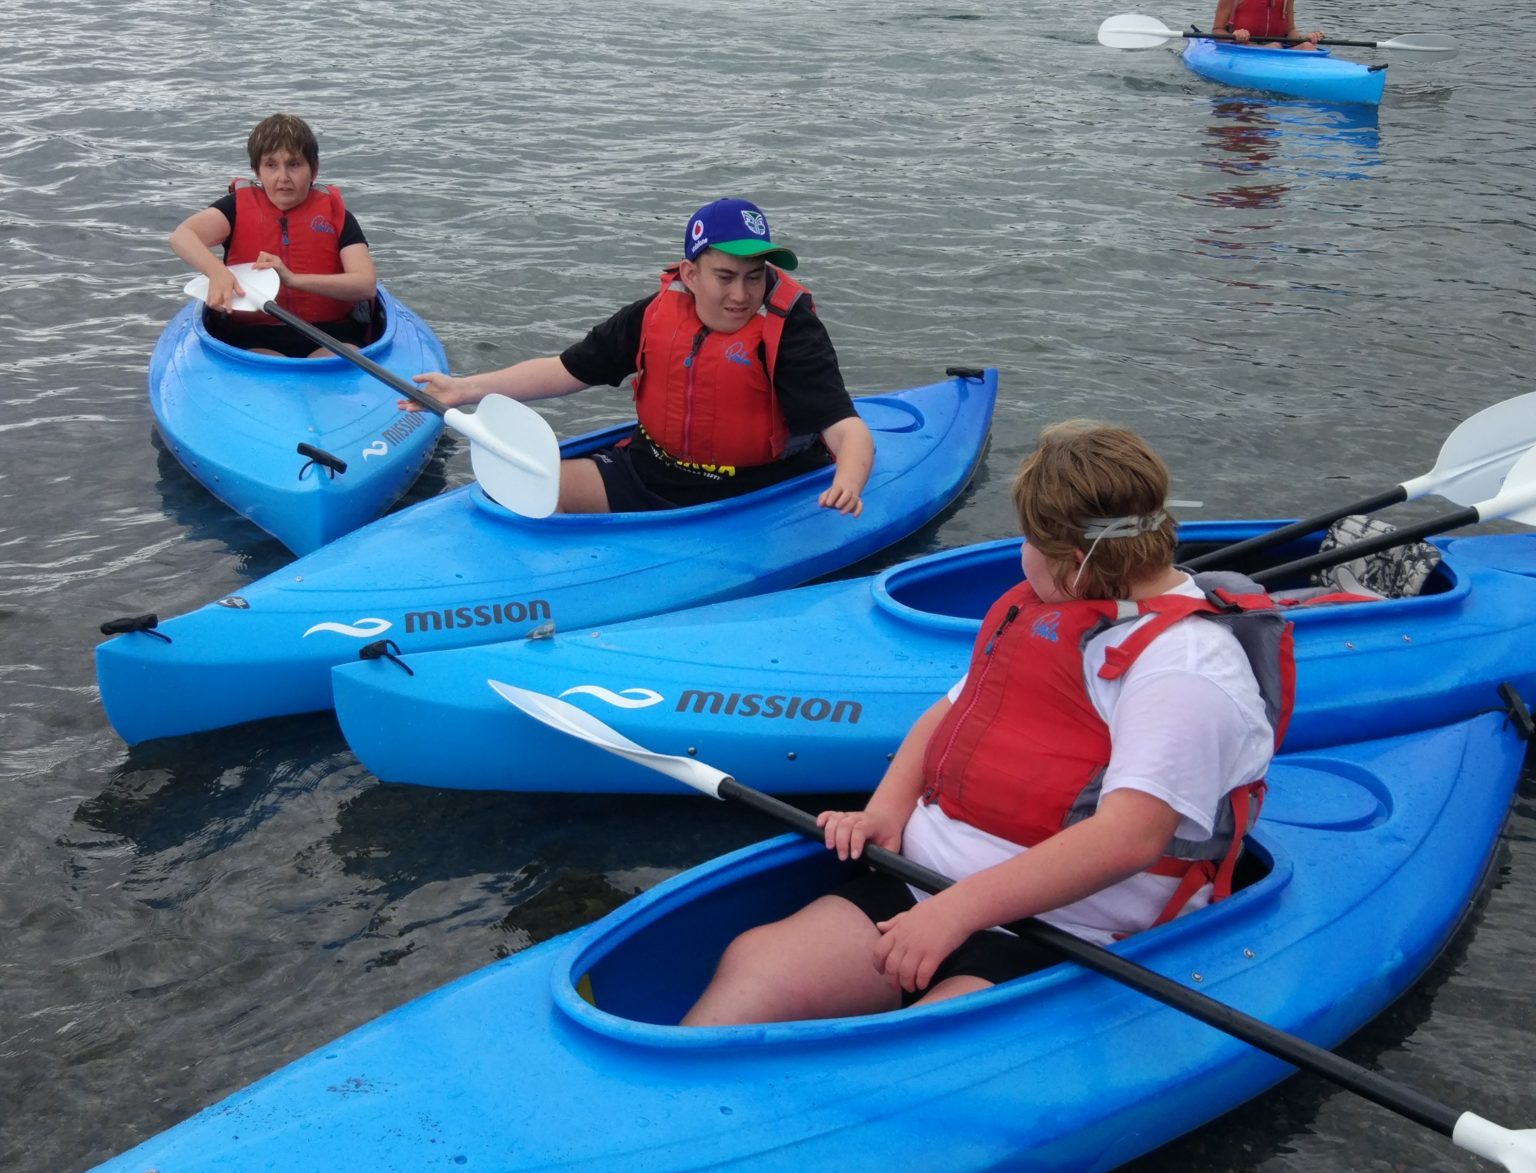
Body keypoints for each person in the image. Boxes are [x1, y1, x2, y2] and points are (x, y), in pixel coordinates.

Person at [680, 421, 1288, 1025]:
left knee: (921, 1049)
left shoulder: (1183, 669)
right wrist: (886, 811)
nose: (1021, 556)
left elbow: (1129, 837)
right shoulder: (1054, 608)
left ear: (1076, 563)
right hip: (921, 881)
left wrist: (960, 911)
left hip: (1064, 931)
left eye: (1028, 540)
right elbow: (949, 712)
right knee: (758, 966)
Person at [412, 198, 875, 518]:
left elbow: (847, 430)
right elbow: (566, 370)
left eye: (755, 277)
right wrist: (463, 389)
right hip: (651, 472)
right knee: (520, 494)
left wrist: (849, 483)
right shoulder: (651, 316)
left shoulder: (790, 333)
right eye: (725, 276)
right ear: (690, 273)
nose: (741, 294)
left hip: (753, 491)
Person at [168, 112, 377, 358]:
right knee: (265, 365)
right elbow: (181, 236)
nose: (283, 178)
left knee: (334, 361)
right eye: (271, 165)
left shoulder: (337, 216)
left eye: (294, 164)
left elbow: (366, 285)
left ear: (314, 170)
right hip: (254, 336)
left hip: (330, 336)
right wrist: (217, 272)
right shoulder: (234, 209)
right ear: (257, 171)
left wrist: (292, 280)